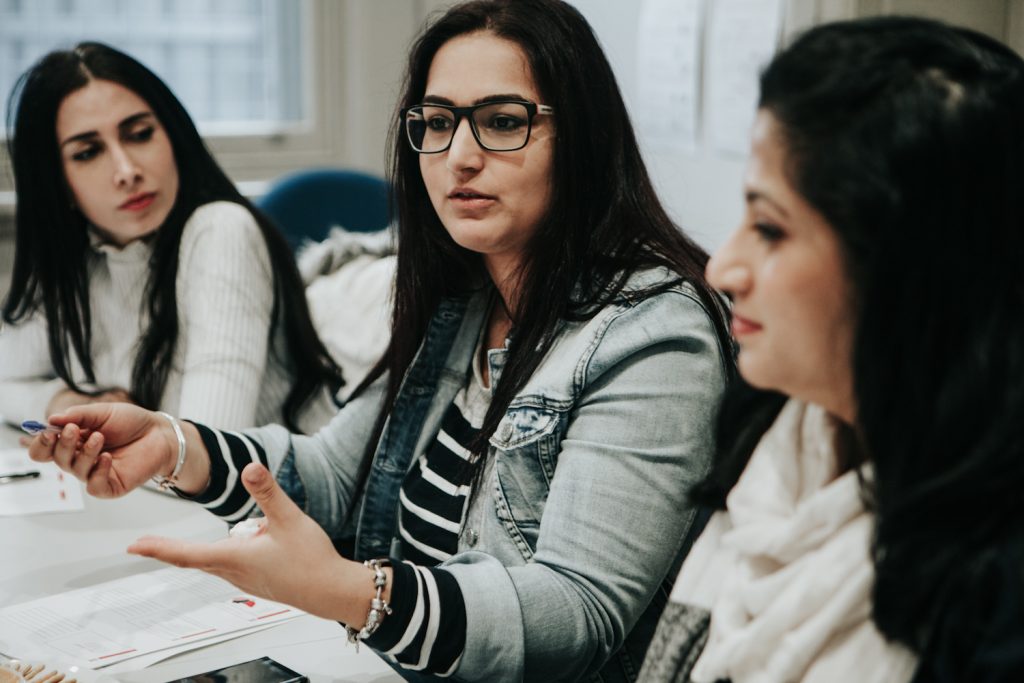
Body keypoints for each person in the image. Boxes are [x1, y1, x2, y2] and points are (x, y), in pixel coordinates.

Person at [28, 1, 732, 680]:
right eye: (436, 122)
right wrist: (176, 445)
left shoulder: (653, 331)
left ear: (580, 136)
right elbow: (335, 474)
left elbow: (574, 614)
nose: (458, 156)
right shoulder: (467, 296)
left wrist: (353, 590)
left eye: (502, 121)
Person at [638, 16, 1024, 683]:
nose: (723, 268)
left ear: (908, 269)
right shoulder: (766, 425)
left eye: (769, 227)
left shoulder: (997, 592)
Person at [1, 42, 343, 434]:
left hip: (281, 491)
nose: (126, 170)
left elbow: (209, 447)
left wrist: (105, 433)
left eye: (140, 134)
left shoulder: (221, 231)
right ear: (57, 183)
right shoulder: (77, 257)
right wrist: (69, 403)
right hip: (154, 494)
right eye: (88, 153)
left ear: (173, 137)